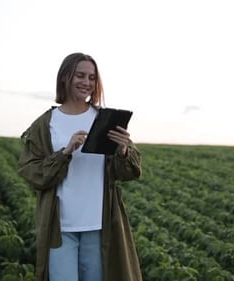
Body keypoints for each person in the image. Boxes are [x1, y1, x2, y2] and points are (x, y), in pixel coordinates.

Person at [17, 52, 143, 281]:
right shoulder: (47, 123)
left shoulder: (105, 119)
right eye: (80, 75)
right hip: (60, 225)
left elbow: (129, 172)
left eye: (92, 77)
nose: (86, 82)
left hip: (98, 224)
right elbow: (30, 171)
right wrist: (65, 152)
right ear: (65, 77)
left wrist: (123, 150)